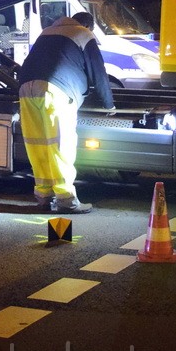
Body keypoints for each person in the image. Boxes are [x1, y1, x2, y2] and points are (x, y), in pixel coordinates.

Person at [18, 11, 114, 214]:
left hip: (26, 88)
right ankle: (66, 199)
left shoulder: (46, 32)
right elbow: (98, 71)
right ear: (89, 26)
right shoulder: (83, 34)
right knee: (60, 144)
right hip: (56, 90)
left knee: (38, 144)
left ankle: (43, 196)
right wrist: (109, 104)